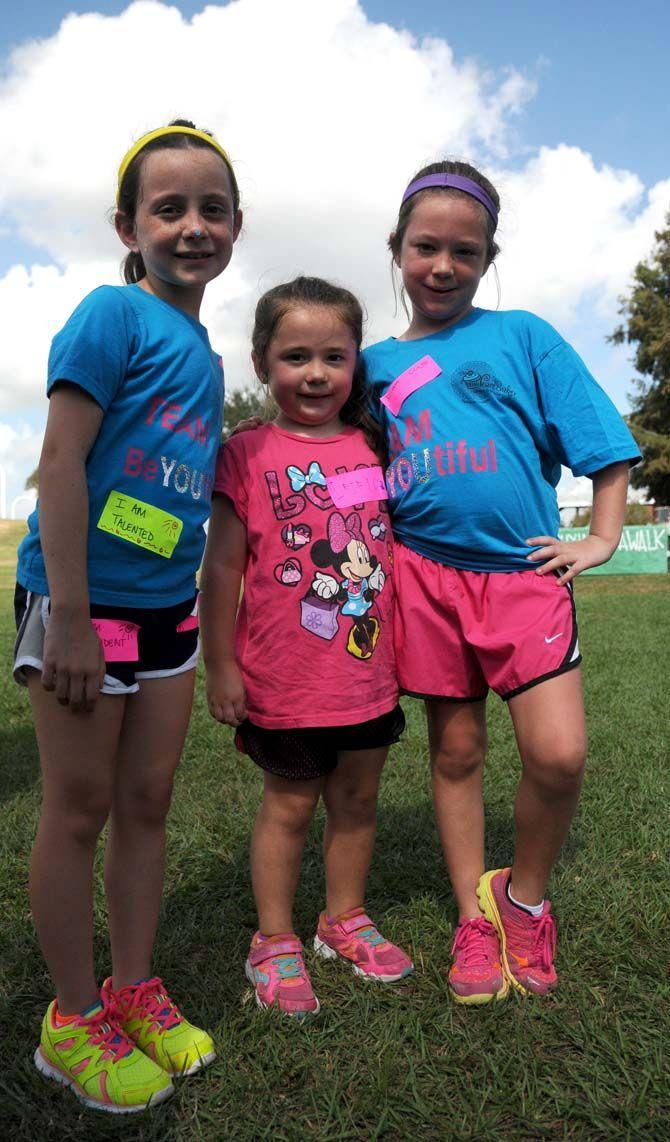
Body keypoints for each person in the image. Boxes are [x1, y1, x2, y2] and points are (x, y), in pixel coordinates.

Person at [363, 160, 640, 1005]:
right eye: (425, 248)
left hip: (522, 580)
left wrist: (600, 537)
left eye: (464, 252)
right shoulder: (371, 365)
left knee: (559, 756)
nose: (442, 266)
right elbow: (344, 469)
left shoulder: (523, 335)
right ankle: (473, 919)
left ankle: (522, 899)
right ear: (397, 249)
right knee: (456, 751)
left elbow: (604, 443)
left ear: (487, 259)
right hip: (426, 580)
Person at [14, 119, 242, 1112]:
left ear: (235, 225)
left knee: (146, 803)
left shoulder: (201, 347)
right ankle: (70, 1022)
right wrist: (65, 611)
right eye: (169, 208)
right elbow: (61, 462)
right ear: (128, 223)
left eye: (212, 208)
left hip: (168, 615)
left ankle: (132, 987)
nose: (192, 225)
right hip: (81, 607)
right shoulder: (111, 314)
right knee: (78, 810)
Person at [200, 276, 413, 1019]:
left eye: (334, 356)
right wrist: (220, 665)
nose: (316, 373)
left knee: (357, 803)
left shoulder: (375, 445)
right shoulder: (246, 451)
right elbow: (222, 566)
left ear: (356, 364)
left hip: (366, 675)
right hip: (283, 681)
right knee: (288, 808)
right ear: (261, 363)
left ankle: (341, 920)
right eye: (295, 356)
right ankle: (275, 939)